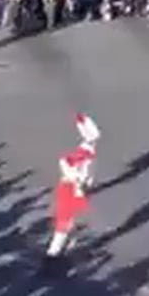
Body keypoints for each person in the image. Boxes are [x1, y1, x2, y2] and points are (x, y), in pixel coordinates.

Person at [45, 113, 100, 272]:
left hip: (74, 191)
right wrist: (76, 180)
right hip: (71, 192)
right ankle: (51, 260)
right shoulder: (83, 156)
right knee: (64, 227)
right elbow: (65, 162)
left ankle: (60, 253)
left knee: (67, 225)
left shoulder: (86, 154)